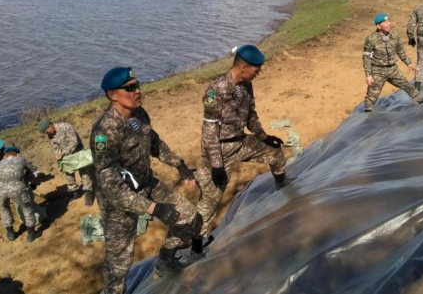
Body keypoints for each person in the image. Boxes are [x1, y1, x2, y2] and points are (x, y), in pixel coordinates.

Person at [90, 67, 198, 292]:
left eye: (138, 85)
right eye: (130, 88)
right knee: (120, 262)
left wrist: (179, 164)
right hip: (119, 201)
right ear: (113, 95)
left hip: (146, 183)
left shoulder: (139, 114)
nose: (138, 91)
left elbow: (155, 143)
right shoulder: (104, 131)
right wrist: (153, 208)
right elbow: (112, 189)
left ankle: (165, 261)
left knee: (188, 215)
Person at [190, 45, 288, 261]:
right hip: (219, 150)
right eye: (256, 70)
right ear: (243, 67)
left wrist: (264, 137)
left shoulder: (246, 85)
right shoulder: (215, 91)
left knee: (275, 153)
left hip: (241, 142)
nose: (258, 73)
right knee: (209, 202)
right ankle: (196, 248)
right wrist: (216, 165)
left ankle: (284, 189)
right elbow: (208, 132)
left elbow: (251, 115)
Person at [363, 14, 423, 112]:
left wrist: (408, 63)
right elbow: (366, 57)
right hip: (378, 71)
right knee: (372, 96)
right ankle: (366, 116)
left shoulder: (394, 36)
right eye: (385, 22)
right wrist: (368, 75)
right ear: (378, 26)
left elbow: (400, 51)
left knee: (408, 86)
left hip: (393, 69)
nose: (388, 24)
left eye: (388, 21)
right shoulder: (371, 40)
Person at [38, 119, 94, 206]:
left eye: (47, 131)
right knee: (69, 173)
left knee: (84, 172)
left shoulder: (65, 126)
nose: (47, 134)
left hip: (77, 150)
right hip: (65, 155)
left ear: (50, 125)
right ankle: (75, 192)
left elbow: (74, 141)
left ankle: (88, 192)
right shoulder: (51, 134)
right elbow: (55, 146)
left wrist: (64, 152)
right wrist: (58, 155)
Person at [0, 146, 42, 242]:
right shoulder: (20, 159)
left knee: (4, 209)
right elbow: (34, 171)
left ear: (4, 156)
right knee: (27, 208)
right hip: (16, 188)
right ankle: (31, 235)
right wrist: (35, 182)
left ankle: (11, 234)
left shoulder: (0, 163)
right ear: (17, 154)